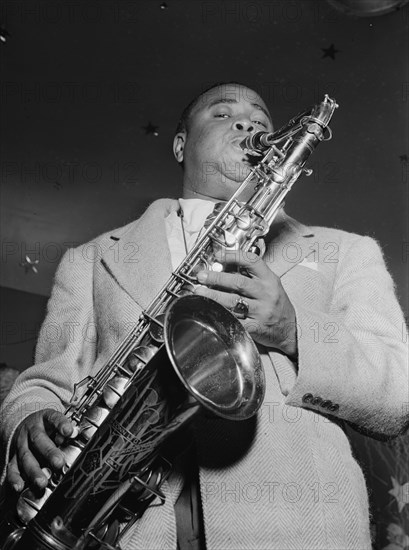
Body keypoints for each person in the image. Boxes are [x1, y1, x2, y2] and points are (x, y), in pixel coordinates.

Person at [0, 82, 408, 550]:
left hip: (295, 527)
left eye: (260, 118)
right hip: (108, 525)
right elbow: (44, 382)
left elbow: (398, 393)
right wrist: (28, 421)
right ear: (180, 144)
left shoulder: (347, 252)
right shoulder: (89, 259)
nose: (248, 122)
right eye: (222, 113)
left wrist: (295, 332)